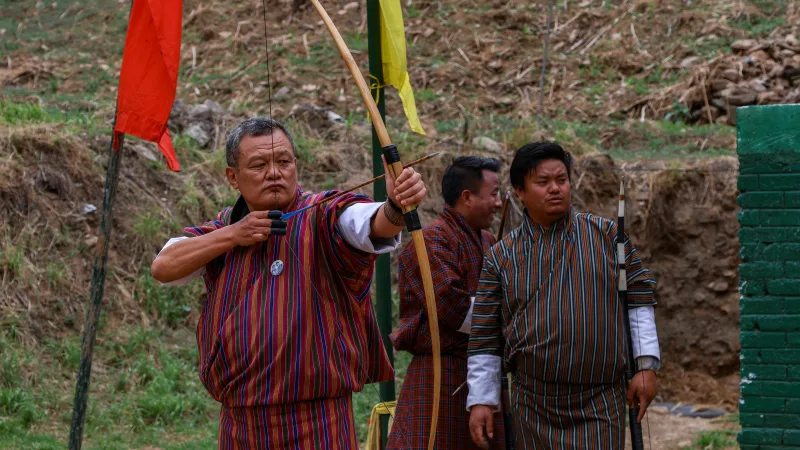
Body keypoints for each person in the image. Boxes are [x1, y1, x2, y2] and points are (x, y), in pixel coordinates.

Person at [150, 117, 428, 449]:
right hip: (242, 424)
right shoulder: (225, 229)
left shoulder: (322, 214)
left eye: (283, 161)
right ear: (232, 177)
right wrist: (234, 235)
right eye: (258, 164)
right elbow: (164, 266)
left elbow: (369, 223)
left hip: (319, 423)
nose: (274, 172)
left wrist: (395, 206)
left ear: (295, 166)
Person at [466, 142, 661, 449]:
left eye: (562, 180)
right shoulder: (501, 257)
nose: (555, 189)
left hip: (599, 401)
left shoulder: (608, 237)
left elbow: (638, 299)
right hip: (533, 405)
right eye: (542, 183)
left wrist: (646, 365)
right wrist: (481, 400)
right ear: (520, 191)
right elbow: (485, 336)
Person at [386, 156, 506, 450]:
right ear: (467, 197)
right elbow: (456, 310)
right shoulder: (431, 240)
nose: (499, 203)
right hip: (439, 375)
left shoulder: (489, 241)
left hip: (485, 374)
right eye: (493, 194)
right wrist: (512, 317)